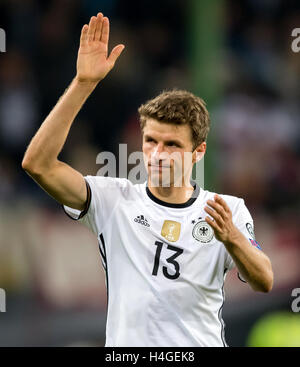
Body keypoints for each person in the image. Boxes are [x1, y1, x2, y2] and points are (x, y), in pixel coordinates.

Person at [22, 13, 273, 347]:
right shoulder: (113, 200)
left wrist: (232, 239)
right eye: (151, 141)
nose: (157, 153)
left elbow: (264, 280)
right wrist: (84, 84)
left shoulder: (227, 210)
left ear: (198, 152)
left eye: (172, 144)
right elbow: (37, 164)